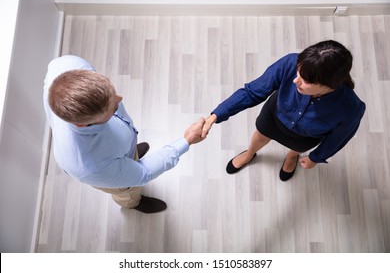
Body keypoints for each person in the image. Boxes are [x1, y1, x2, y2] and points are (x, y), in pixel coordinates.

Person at [43, 55, 205, 213]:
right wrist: (187, 140)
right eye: (112, 109)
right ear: (83, 124)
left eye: (112, 93)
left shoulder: (68, 64)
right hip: (108, 170)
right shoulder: (93, 167)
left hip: (114, 154)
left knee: (127, 157)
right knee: (128, 190)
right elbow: (144, 173)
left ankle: (128, 158)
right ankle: (133, 203)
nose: (120, 99)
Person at [202, 40, 365, 181]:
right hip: (274, 117)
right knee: (259, 136)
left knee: (297, 149)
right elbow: (253, 91)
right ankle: (249, 153)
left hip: (304, 137)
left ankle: (292, 156)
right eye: (298, 73)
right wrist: (215, 116)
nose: (295, 81)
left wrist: (315, 158)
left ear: (329, 85)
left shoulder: (351, 109)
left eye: (305, 80)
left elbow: (337, 139)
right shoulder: (290, 62)